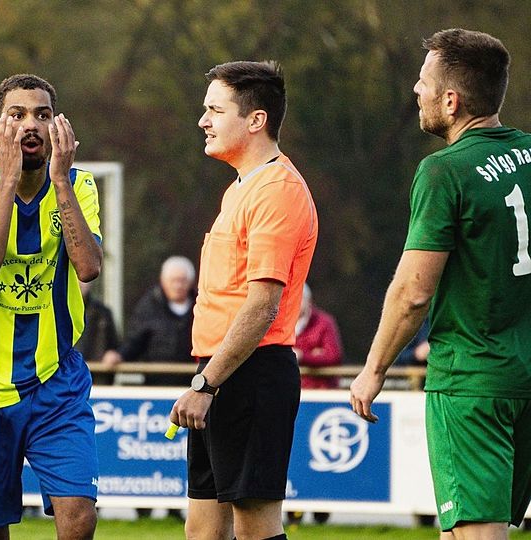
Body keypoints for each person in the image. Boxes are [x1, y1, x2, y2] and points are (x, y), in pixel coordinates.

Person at [350, 29, 531, 538]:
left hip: (473, 379)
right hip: (525, 374)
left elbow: (413, 293)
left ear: (451, 101)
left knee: (476, 531)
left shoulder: (445, 171)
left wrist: (374, 367)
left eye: (424, 81)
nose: (415, 89)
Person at [0, 73, 102, 539]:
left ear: (57, 126)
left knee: (79, 515)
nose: (30, 124)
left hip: (57, 379)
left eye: (42, 115)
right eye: (17, 115)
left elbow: (89, 267)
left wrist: (60, 182)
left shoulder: (79, 184)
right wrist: (9, 179)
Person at [169, 61, 318, 540]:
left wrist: (207, 384)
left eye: (215, 109)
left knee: (255, 528)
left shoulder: (277, 190)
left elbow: (262, 305)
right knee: (203, 530)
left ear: (255, 120)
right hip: (221, 371)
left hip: (251, 372)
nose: (203, 120)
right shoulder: (241, 186)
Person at [102, 255, 196, 387]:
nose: (178, 285)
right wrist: (119, 355)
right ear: (163, 281)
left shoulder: (201, 305)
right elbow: (135, 340)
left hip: (193, 384)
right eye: (173, 280)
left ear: (191, 282)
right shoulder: (149, 306)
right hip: (156, 384)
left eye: (182, 280)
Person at [294, 283, 344, 390]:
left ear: (309, 301)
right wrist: (313, 355)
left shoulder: (324, 322)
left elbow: (333, 356)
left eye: (299, 298)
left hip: (320, 391)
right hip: (290, 389)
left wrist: (302, 356)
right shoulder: (281, 322)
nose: (295, 302)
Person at [74, 280, 119, 385]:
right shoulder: (56, 310)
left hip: (97, 380)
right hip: (68, 381)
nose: (81, 283)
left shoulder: (102, 313)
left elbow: (115, 345)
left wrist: (115, 354)